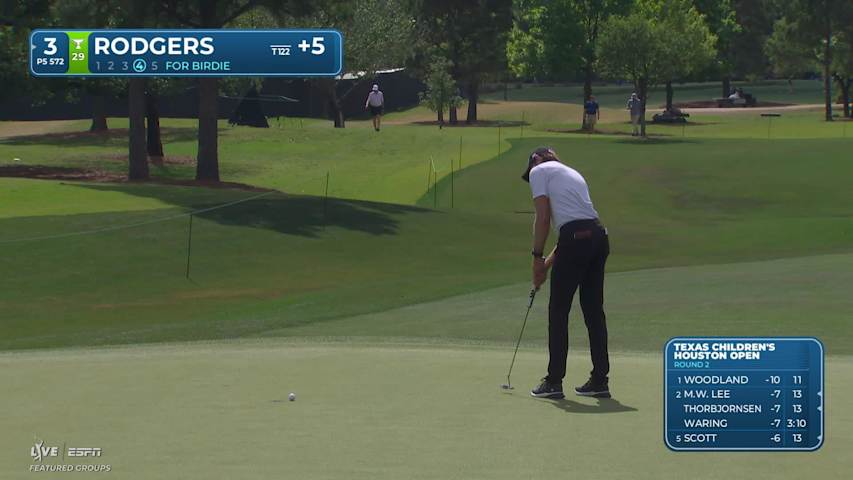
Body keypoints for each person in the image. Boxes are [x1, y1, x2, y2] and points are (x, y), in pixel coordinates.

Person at [521, 146, 611, 400]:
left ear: (536, 160)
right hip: (598, 236)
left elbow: (543, 218)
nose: (532, 176)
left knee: (558, 311)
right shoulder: (571, 172)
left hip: (576, 239)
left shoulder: (540, 170)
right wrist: (545, 267)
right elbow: (575, 232)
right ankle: (600, 380)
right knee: (593, 310)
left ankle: (553, 381)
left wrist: (536, 257)